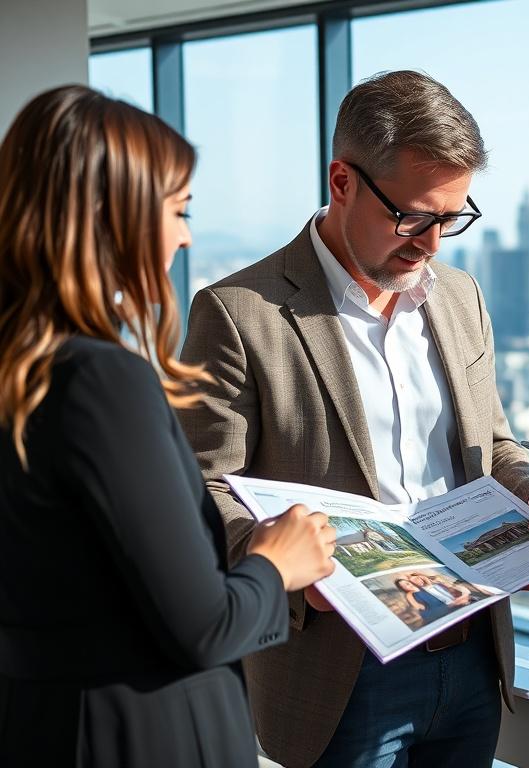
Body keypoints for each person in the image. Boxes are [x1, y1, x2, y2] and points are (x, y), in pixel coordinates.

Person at [178, 70, 529, 768]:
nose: (432, 243)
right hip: (338, 669)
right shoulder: (239, 312)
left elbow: (491, 443)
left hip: (471, 654)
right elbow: (202, 490)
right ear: (342, 181)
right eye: (414, 217)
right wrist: (291, 562)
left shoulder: (459, 296)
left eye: (452, 218)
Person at [0, 86, 337, 767]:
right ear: (109, 214)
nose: (185, 237)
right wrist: (278, 562)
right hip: (139, 734)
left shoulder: (21, 369)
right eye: (178, 211)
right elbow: (207, 625)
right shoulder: (98, 381)